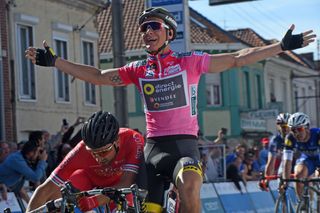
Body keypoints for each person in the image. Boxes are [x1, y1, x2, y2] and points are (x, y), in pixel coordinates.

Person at [25, 7, 316, 213]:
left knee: (189, 184)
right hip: (153, 152)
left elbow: (239, 58)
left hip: (184, 148)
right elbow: (99, 76)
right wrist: (55, 63)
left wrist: (280, 46)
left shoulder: (191, 62)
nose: (147, 31)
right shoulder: (139, 69)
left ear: (169, 33)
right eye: (143, 28)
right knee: (145, 207)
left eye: (154, 26)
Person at [26, 111, 145, 212]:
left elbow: (127, 182)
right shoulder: (81, 149)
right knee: (61, 191)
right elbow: (45, 189)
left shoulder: (132, 139)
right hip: (90, 180)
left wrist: (94, 201)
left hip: (120, 184)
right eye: (93, 153)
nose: (98, 158)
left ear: (117, 142)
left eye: (103, 152)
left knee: (126, 202)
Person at [282, 112, 320, 199]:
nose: (296, 133)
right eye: (293, 130)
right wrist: (285, 182)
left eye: (299, 129)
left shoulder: (317, 134)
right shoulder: (290, 138)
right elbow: (287, 161)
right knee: (298, 175)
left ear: (307, 128)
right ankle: (302, 205)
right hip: (307, 159)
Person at [259, 113, 291, 190]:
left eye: (287, 126)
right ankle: (283, 197)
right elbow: (271, 162)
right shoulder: (275, 140)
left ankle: (312, 199)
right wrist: (267, 179)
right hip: (285, 163)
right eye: (283, 127)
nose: (286, 129)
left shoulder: (297, 136)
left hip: (298, 161)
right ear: (278, 127)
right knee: (281, 174)